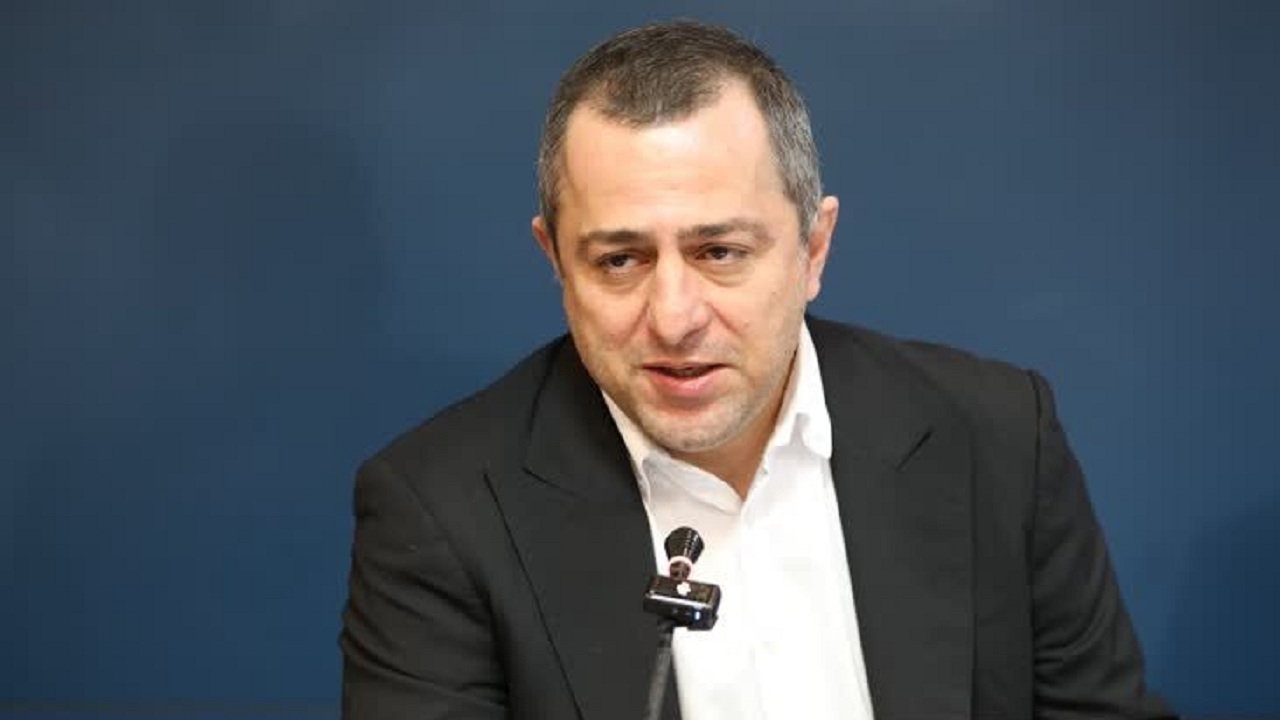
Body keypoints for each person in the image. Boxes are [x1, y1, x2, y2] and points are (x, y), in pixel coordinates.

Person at [340, 20, 1175, 720]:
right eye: (620, 260)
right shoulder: (441, 510)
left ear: (814, 249)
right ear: (555, 260)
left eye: (720, 252)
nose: (674, 317)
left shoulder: (996, 438)